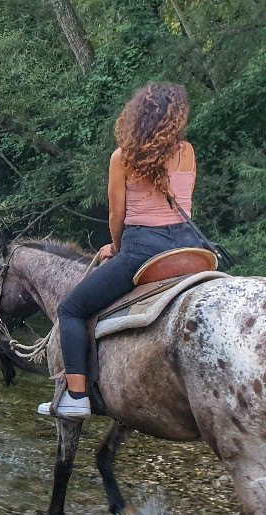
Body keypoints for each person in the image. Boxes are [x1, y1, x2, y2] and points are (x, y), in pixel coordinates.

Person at [39, 82, 204, 419]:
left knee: (71, 310)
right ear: (177, 118)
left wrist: (116, 247)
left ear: (137, 116)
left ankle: (76, 396)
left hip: (144, 249)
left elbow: (117, 215)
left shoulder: (123, 157)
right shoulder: (187, 151)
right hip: (189, 247)